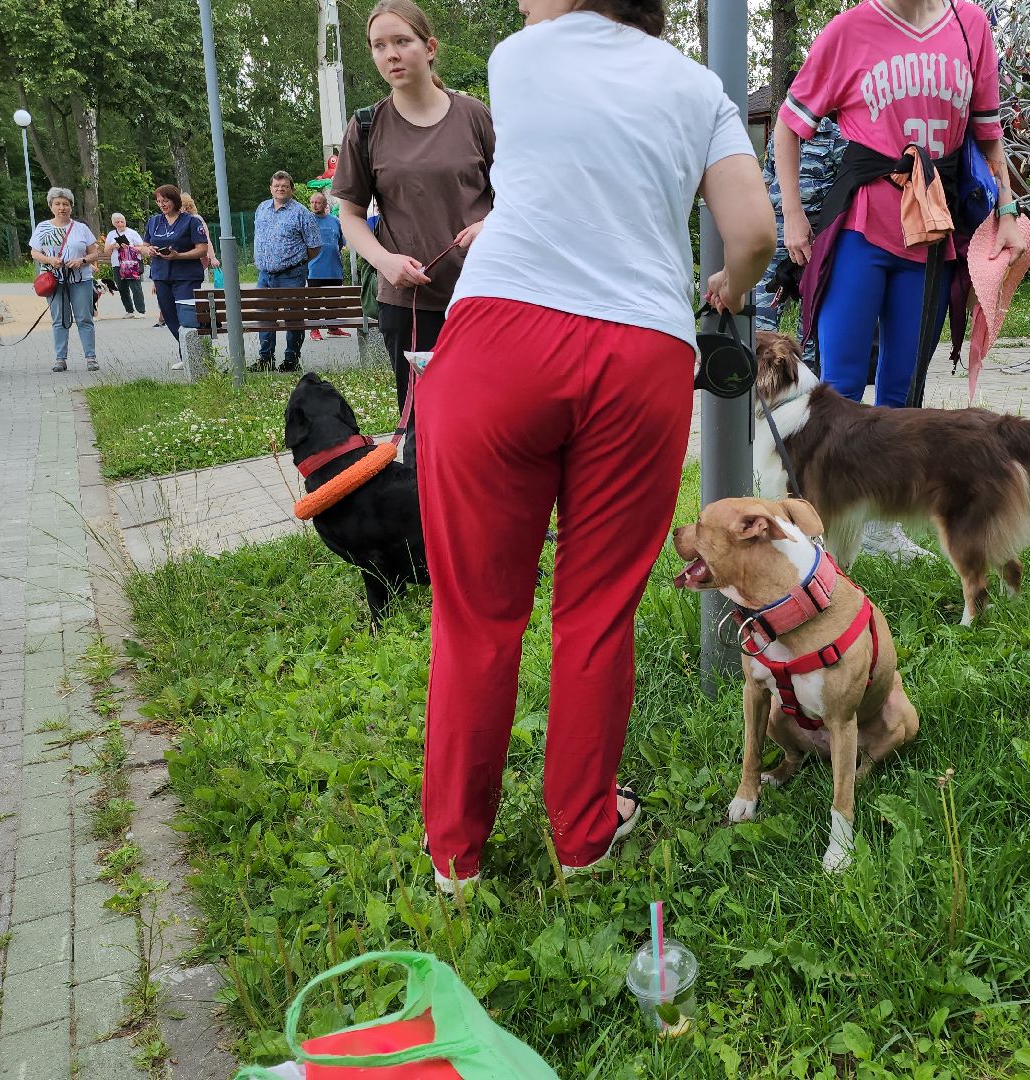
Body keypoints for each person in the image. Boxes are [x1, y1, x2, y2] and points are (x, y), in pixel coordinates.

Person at [410, 0, 773, 894]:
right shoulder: (702, 89)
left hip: (500, 337)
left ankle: (458, 856)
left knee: (477, 617)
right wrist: (734, 281)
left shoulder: (518, 55)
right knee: (596, 611)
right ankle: (583, 838)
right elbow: (755, 232)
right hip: (640, 351)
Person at [777, 0, 1025, 557]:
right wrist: (793, 212)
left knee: (903, 389)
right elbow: (789, 128)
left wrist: (1007, 208)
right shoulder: (851, 28)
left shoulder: (970, 26)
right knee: (837, 386)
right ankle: (820, 523)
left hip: (933, 236)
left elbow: (988, 133)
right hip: (863, 228)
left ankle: (884, 522)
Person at [332, 0, 494, 417]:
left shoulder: (474, 116)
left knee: (488, 421)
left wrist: (488, 226)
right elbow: (349, 216)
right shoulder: (366, 126)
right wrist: (384, 262)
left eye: (402, 41)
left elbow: (518, 198)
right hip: (408, 307)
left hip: (483, 297)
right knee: (422, 427)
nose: (391, 55)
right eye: (378, 45)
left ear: (430, 47)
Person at [754, 117, 846, 374]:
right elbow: (768, 178)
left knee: (810, 318)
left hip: (813, 239)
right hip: (776, 235)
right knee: (761, 312)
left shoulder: (836, 137)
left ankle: (806, 378)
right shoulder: (780, 135)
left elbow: (843, 191)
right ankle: (759, 375)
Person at [251, 171, 322, 371]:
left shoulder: (301, 213)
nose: (280, 189)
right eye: (276, 186)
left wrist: (296, 262)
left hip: (291, 274)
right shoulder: (261, 208)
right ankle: (266, 359)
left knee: (293, 318)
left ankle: (291, 360)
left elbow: (315, 246)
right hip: (265, 275)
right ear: (271, 188)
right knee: (265, 318)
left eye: (284, 186)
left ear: (291, 189)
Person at [139, 184, 212, 368]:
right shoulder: (154, 221)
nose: (162, 204)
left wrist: (179, 255)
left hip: (186, 275)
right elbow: (143, 245)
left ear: (175, 200)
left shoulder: (191, 221)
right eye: (159, 201)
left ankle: (198, 358)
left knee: (186, 317)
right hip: (162, 275)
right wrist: (149, 250)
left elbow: (202, 249)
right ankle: (187, 354)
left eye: (166, 200)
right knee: (170, 317)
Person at [29, 187, 101, 372]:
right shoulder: (43, 227)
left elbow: (95, 253)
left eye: (66, 204)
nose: (62, 208)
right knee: (60, 319)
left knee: (84, 318)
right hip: (54, 280)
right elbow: (34, 252)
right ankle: (60, 359)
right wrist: (50, 260)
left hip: (81, 279)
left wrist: (82, 260)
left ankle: (91, 357)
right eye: (58, 204)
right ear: (51, 206)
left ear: (71, 207)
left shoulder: (81, 228)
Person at [306, 190, 351, 340]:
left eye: (317, 202)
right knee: (314, 303)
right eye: (312, 202)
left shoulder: (335, 221)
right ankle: (314, 329)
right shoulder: (307, 221)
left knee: (333, 301)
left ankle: (333, 327)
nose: (314, 205)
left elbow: (340, 244)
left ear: (325, 204)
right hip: (314, 270)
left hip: (334, 269)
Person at [105, 213, 147, 318]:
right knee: (122, 288)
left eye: (122, 221)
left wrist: (130, 246)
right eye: (117, 222)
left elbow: (142, 248)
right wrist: (114, 245)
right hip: (117, 265)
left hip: (131, 264)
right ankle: (129, 310)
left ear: (125, 221)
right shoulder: (111, 234)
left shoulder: (132, 233)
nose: (120, 224)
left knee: (136, 287)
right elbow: (106, 251)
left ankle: (141, 311)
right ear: (113, 223)